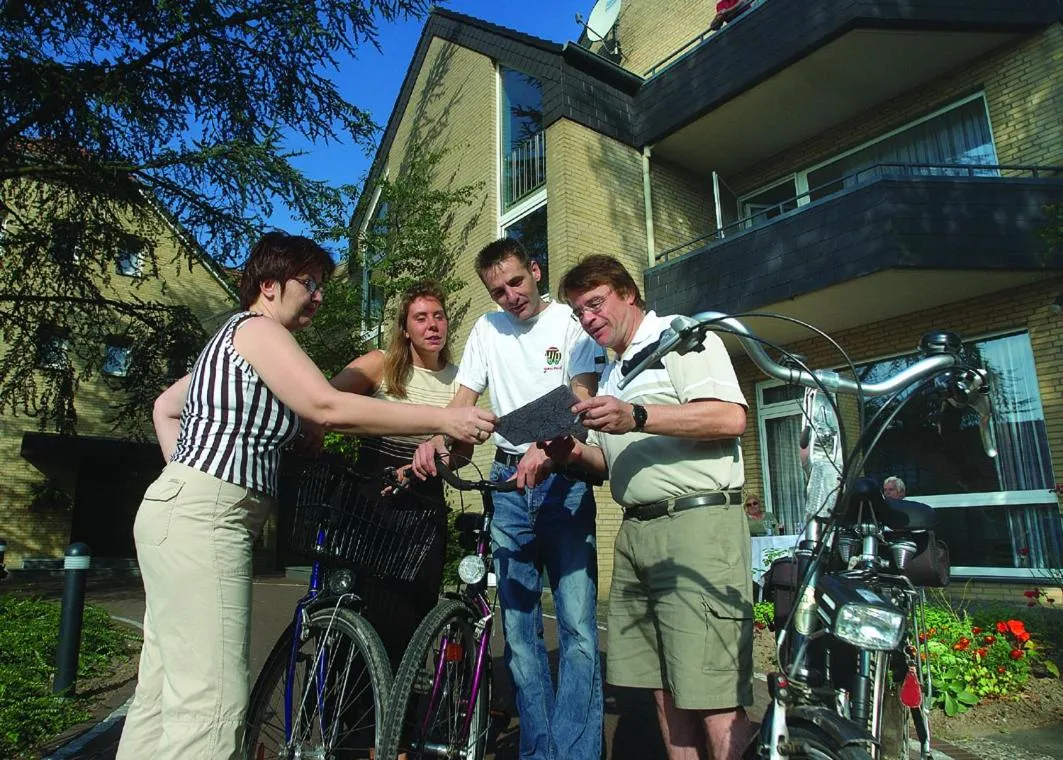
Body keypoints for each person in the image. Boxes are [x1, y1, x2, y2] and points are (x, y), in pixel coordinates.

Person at [116, 232, 495, 760]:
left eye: (321, 285)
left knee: (161, 693)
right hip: (204, 517)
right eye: (309, 283)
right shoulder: (258, 330)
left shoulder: (233, 339)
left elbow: (165, 407)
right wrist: (442, 416)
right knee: (211, 704)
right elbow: (326, 405)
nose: (318, 296)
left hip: (179, 510)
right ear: (269, 285)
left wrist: (184, 472)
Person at [545, 254, 754, 760]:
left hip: (696, 526)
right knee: (663, 688)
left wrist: (637, 414)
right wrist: (572, 453)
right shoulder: (613, 372)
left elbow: (729, 418)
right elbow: (614, 459)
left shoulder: (682, 336)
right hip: (637, 532)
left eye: (595, 303)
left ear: (628, 294)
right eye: (579, 312)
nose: (588, 318)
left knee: (713, 692)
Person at [411, 238, 604, 760]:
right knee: (519, 634)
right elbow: (462, 402)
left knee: (579, 627)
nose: (510, 296)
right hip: (509, 484)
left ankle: (577, 753)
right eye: (497, 290)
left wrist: (548, 449)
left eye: (516, 282)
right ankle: (539, 751)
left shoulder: (568, 322)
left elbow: (582, 395)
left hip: (562, 476)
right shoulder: (486, 329)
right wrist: (437, 436)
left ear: (535, 271)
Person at [330, 280, 460, 666]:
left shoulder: (461, 379)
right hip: (368, 503)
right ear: (405, 329)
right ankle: (353, 719)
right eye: (420, 318)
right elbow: (325, 402)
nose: (432, 325)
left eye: (438, 316)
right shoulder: (380, 364)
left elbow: (461, 451)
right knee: (360, 610)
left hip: (424, 507)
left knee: (413, 616)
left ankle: (404, 715)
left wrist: (432, 463)